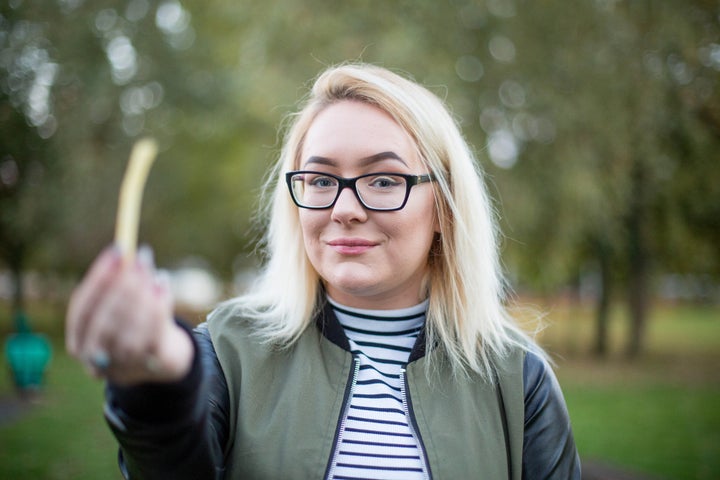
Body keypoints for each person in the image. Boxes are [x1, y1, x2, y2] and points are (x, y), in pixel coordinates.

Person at [66, 63, 581, 479]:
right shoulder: (227, 352)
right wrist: (161, 386)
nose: (344, 209)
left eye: (383, 180)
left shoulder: (517, 378)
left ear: (443, 208)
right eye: (320, 179)